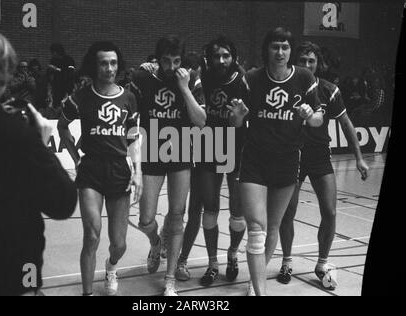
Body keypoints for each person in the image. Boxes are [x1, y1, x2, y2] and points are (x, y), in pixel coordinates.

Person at [0, 22, 77, 296]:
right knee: (29, 283)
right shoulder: (12, 132)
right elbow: (62, 203)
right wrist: (41, 143)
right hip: (12, 272)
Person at [229, 27, 324, 296]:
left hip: (287, 160)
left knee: (272, 227)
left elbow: (318, 120)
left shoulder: (304, 78)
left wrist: (308, 114)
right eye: (275, 47)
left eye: (284, 47)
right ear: (266, 49)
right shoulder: (252, 78)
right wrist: (237, 116)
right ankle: (261, 292)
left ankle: (254, 280)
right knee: (256, 228)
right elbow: (235, 122)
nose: (280, 52)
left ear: (290, 51)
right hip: (255, 160)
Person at [277, 41, 370, 290]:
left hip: (319, 156)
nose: (307, 65)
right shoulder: (286, 88)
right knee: (288, 212)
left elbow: (347, 124)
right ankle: (286, 261)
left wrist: (359, 158)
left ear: (318, 63)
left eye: (311, 61)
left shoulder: (330, 90)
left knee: (329, 212)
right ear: (294, 62)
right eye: (302, 60)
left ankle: (322, 263)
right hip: (292, 156)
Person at [57, 41, 143, 296]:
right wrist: (76, 158)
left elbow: (134, 138)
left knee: (119, 244)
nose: (109, 68)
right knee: (92, 236)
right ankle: (87, 293)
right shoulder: (82, 95)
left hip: (119, 171)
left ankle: (111, 266)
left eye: (113, 63)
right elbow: (62, 127)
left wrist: (137, 171)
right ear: (94, 66)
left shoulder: (129, 98)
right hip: (91, 170)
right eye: (104, 63)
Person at [130, 35, 206, 296]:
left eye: (176, 61)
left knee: (176, 216)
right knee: (145, 218)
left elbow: (201, 121)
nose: (171, 67)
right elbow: (130, 111)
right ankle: (155, 242)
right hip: (153, 150)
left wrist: (184, 88)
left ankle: (170, 279)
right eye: (166, 61)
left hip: (182, 151)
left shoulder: (191, 78)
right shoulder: (143, 78)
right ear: (157, 59)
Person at [173, 37, 250, 287]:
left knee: (238, 215)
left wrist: (238, 120)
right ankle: (213, 263)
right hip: (209, 146)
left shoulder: (243, 80)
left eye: (226, 55)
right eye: (217, 56)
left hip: (237, 149)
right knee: (210, 211)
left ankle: (233, 255)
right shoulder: (202, 77)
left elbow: (243, 120)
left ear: (233, 56)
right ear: (209, 57)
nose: (221, 60)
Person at [48, 43, 76, 108]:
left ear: (57, 52)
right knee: (56, 107)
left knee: (66, 107)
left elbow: (70, 73)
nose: (52, 54)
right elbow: (50, 76)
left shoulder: (69, 60)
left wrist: (56, 69)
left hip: (67, 88)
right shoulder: (53, 61)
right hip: (56, 89)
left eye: (53, 52)